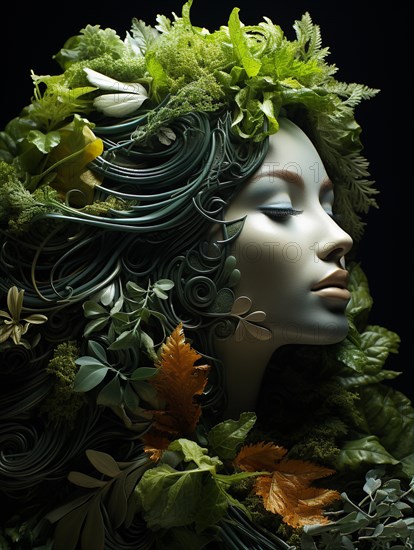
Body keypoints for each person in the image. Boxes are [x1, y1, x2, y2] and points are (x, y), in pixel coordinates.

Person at [1, 4, 412, 549]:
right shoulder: (91, 514)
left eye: (327, 204)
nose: (339, 236)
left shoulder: (352, 478)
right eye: (282, 207)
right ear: (172, 237)